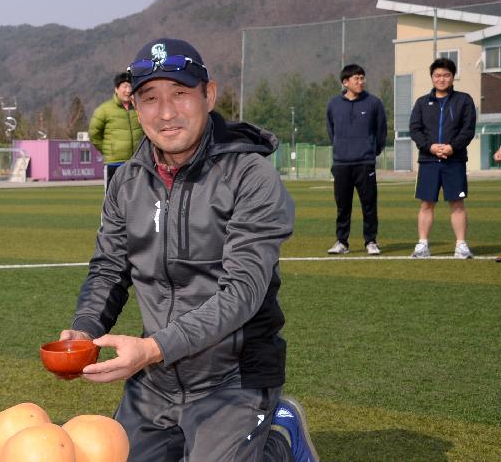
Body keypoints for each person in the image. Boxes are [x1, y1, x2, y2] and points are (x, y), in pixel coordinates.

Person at [60, 38, 318, 461]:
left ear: (208, 95)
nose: (165, 112)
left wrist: (151, 348)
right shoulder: (126, 182)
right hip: (155, 381)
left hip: (233, 377)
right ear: (134, 107)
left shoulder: (249, 176)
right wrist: (85, 328)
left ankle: (278, 442)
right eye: (150, 98)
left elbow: (242, 294)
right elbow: (109, 268)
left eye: (180, 94)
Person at [408, 57, 477, 259]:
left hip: (454, 161)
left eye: (446, 75)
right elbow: (415, 129)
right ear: (432, 77)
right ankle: (422, 245)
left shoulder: (464, 100)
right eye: (437, 75)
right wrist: (429, 147)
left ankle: (461, 245)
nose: (441, 79)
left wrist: (451, 148)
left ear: (452, 77)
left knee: (457, 203)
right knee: (426, 203)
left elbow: (468, 130)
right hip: (428, 161)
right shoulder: (422, 102)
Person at [325, 64, 387, 255]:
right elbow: (331, 130)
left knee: (369, 204)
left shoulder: (374, 103)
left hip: (364, 162)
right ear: (345, 82)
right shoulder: (333, 104)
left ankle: (371, 241)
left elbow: (381, 131)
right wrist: (340, 149)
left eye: (362, 78)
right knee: (343, 206)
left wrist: (371, 151)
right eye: (356, 79)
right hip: (342, 163)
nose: (360, 82)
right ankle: (342, 242)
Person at [88, 71, 144, 190]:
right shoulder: (104, 110)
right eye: (124, 86)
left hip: (137, 162)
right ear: (116, 89)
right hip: (114, 163)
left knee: (137, 199)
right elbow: (94, 134)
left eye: (130, 86)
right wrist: (109, 150)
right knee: (112, 200)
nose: (128, 90)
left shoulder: (140, 108)